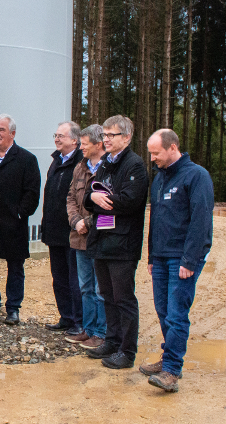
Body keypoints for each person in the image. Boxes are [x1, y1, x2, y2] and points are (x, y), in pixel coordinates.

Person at [141, 129, 213, 392]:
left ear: (172, 148)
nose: (152, 158)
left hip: (182, 260)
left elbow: (201, 221)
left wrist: (190, 260)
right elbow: (156, 220)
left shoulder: (196, 176)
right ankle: (167, 357)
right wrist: (151, 255)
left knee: (176, 314)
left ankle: (172, 369)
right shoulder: (159, 179)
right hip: (160, 258)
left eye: (156, 153)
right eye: (150, 153)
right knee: (163, 311)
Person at [83, 115, 148, 369]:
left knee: (123, 298)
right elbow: (89, 196)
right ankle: (111, 341)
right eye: (105, 135)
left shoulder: (134, 165)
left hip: (123, 243)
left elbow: (130, 200)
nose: (106, 139)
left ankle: (127, 351)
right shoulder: (105, 165)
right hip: (102, 239)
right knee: (107, 295)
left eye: (111, 135)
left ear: (127, 137)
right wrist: (94, 199)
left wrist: (102, 201)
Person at [0, 114, 40, 325]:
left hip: (13, 224)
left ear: (12, 134)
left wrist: (20, 213)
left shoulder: (27, 159)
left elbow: (32, 192)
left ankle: (13, 308)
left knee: (15, 267)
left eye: (1, 130)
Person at [65, 124, 107, 349]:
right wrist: (75, 221)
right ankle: (88, 330)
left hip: (99, 239)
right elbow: (71, 197)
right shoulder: (80, 168)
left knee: (101, 290)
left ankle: (101, 333)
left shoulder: (109, 168)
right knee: (86, 287)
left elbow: (110, 205)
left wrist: (88, 223)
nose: (80, 147)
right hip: (79, 238)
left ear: (98, 145)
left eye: (84, 144)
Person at [42, 121, 84, 336]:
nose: (57, 139)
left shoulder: (81, 162)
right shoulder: (56, 161)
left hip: (72, 231)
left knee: (74, 278)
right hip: (54, 231)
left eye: (61, 136)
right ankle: (66, 317)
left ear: (75, 140)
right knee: (58, 277)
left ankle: (79, 321)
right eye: (55, 135)